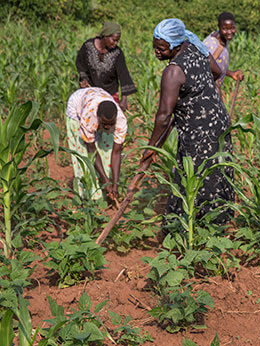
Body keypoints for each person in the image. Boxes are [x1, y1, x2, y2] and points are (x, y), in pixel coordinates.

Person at [143, 19, 234, 223]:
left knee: (191, 178)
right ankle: (216, 223)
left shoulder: (173, 71)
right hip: (218, 119)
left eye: (162, 48)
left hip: (199, 130)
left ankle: (183, 229)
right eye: (155, 47)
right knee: (214, 173)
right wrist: (196, 92)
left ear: (174, 45)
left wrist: (151, 148)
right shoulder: (195, 49)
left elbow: (164, 116)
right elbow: (217, 72)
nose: (157, 52)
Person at [65, 87, 127, 202]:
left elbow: (116, 153)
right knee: (83, 156)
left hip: (98, 96)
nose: (108, 127)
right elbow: (92, 151)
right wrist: (105, 179)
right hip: (77, 105)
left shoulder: (120, 121)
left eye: (111, 124)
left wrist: (115, 184)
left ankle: (107, 193)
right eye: (104, 124)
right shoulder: (89, 117)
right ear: (98, 117)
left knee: (107, 152)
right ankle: (89, 197)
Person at [75, 22, 136, 111]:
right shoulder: (88, 46)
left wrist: (124, 99)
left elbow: (123, 75)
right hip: (91, 92)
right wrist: (84, 78)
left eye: (117, 41)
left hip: (109, 94)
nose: (116, 43)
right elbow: (80, 63)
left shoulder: (117, 53)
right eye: (114, 40)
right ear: (105, 36)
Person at [202, 12, 245, 93]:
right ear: (219, 27)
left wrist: (232, 74)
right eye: (225, 29)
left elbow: (216, 66)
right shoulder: (212, 45)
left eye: (232, 28)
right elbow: (204, 68)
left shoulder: (224, 40)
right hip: (206, 91)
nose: (229, 32)